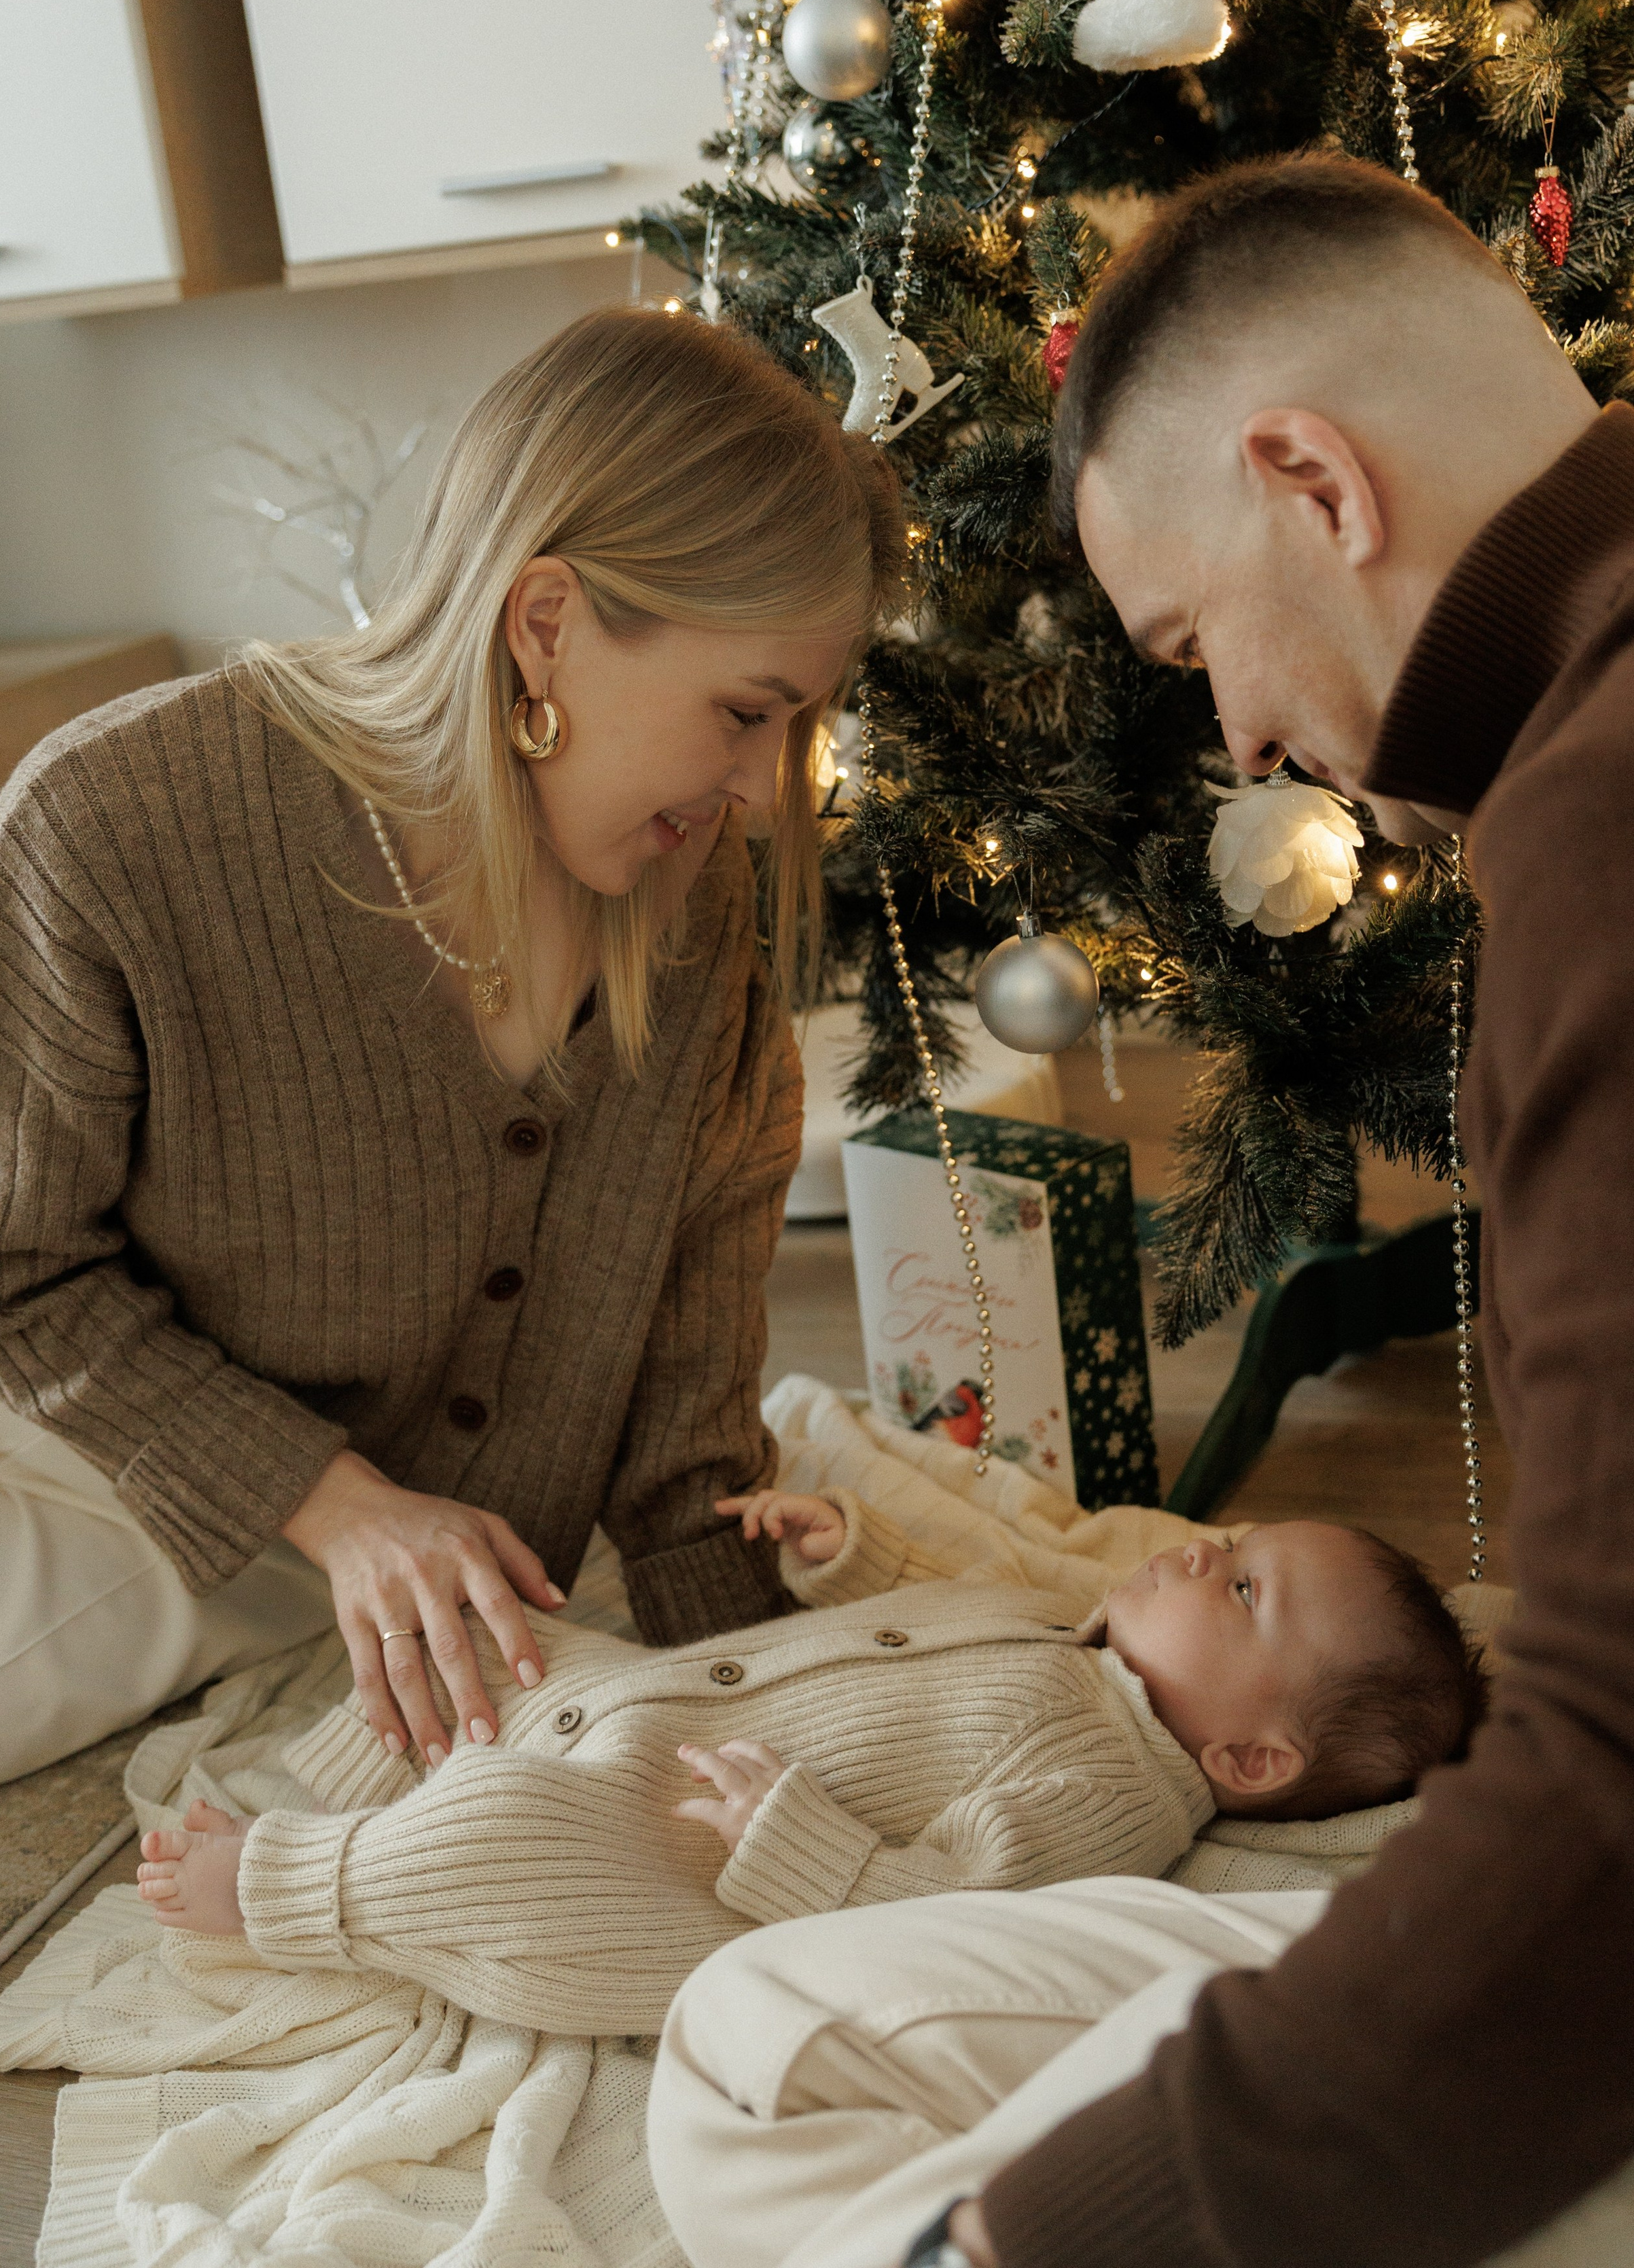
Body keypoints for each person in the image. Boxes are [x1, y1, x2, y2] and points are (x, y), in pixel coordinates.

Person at [645, 154, 1634, 2268]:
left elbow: (1616, 1807)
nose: (1245, 733)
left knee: (768, 2066)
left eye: (1197, 644)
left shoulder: (1607, 828)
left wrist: (1044, 2242)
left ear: (1313, 482)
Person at [0, 307, 901, 1828]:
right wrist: (348, 1510)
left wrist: (771, 1742)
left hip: (182, 1535)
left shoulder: (701, 930)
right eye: (745, 714)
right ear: (545, 620)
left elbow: (687, 1428)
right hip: (0, 1367)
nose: (766, 792)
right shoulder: (118, 822)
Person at [132, 1485, 1478, 2039]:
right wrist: (850, 1557)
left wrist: (800, 1844)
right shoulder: (1078, 1632)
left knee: (507, 1833)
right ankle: (332, 1781)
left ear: (1244, 1759)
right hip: (656, 1714)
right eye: (1235, 1540)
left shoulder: (1117, 1794)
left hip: (673, 1860)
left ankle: (300, 1886)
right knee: (509, 1643)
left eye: (1241, 1592)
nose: (1200, 1551)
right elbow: (952, 1590)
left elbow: (957, 1910)